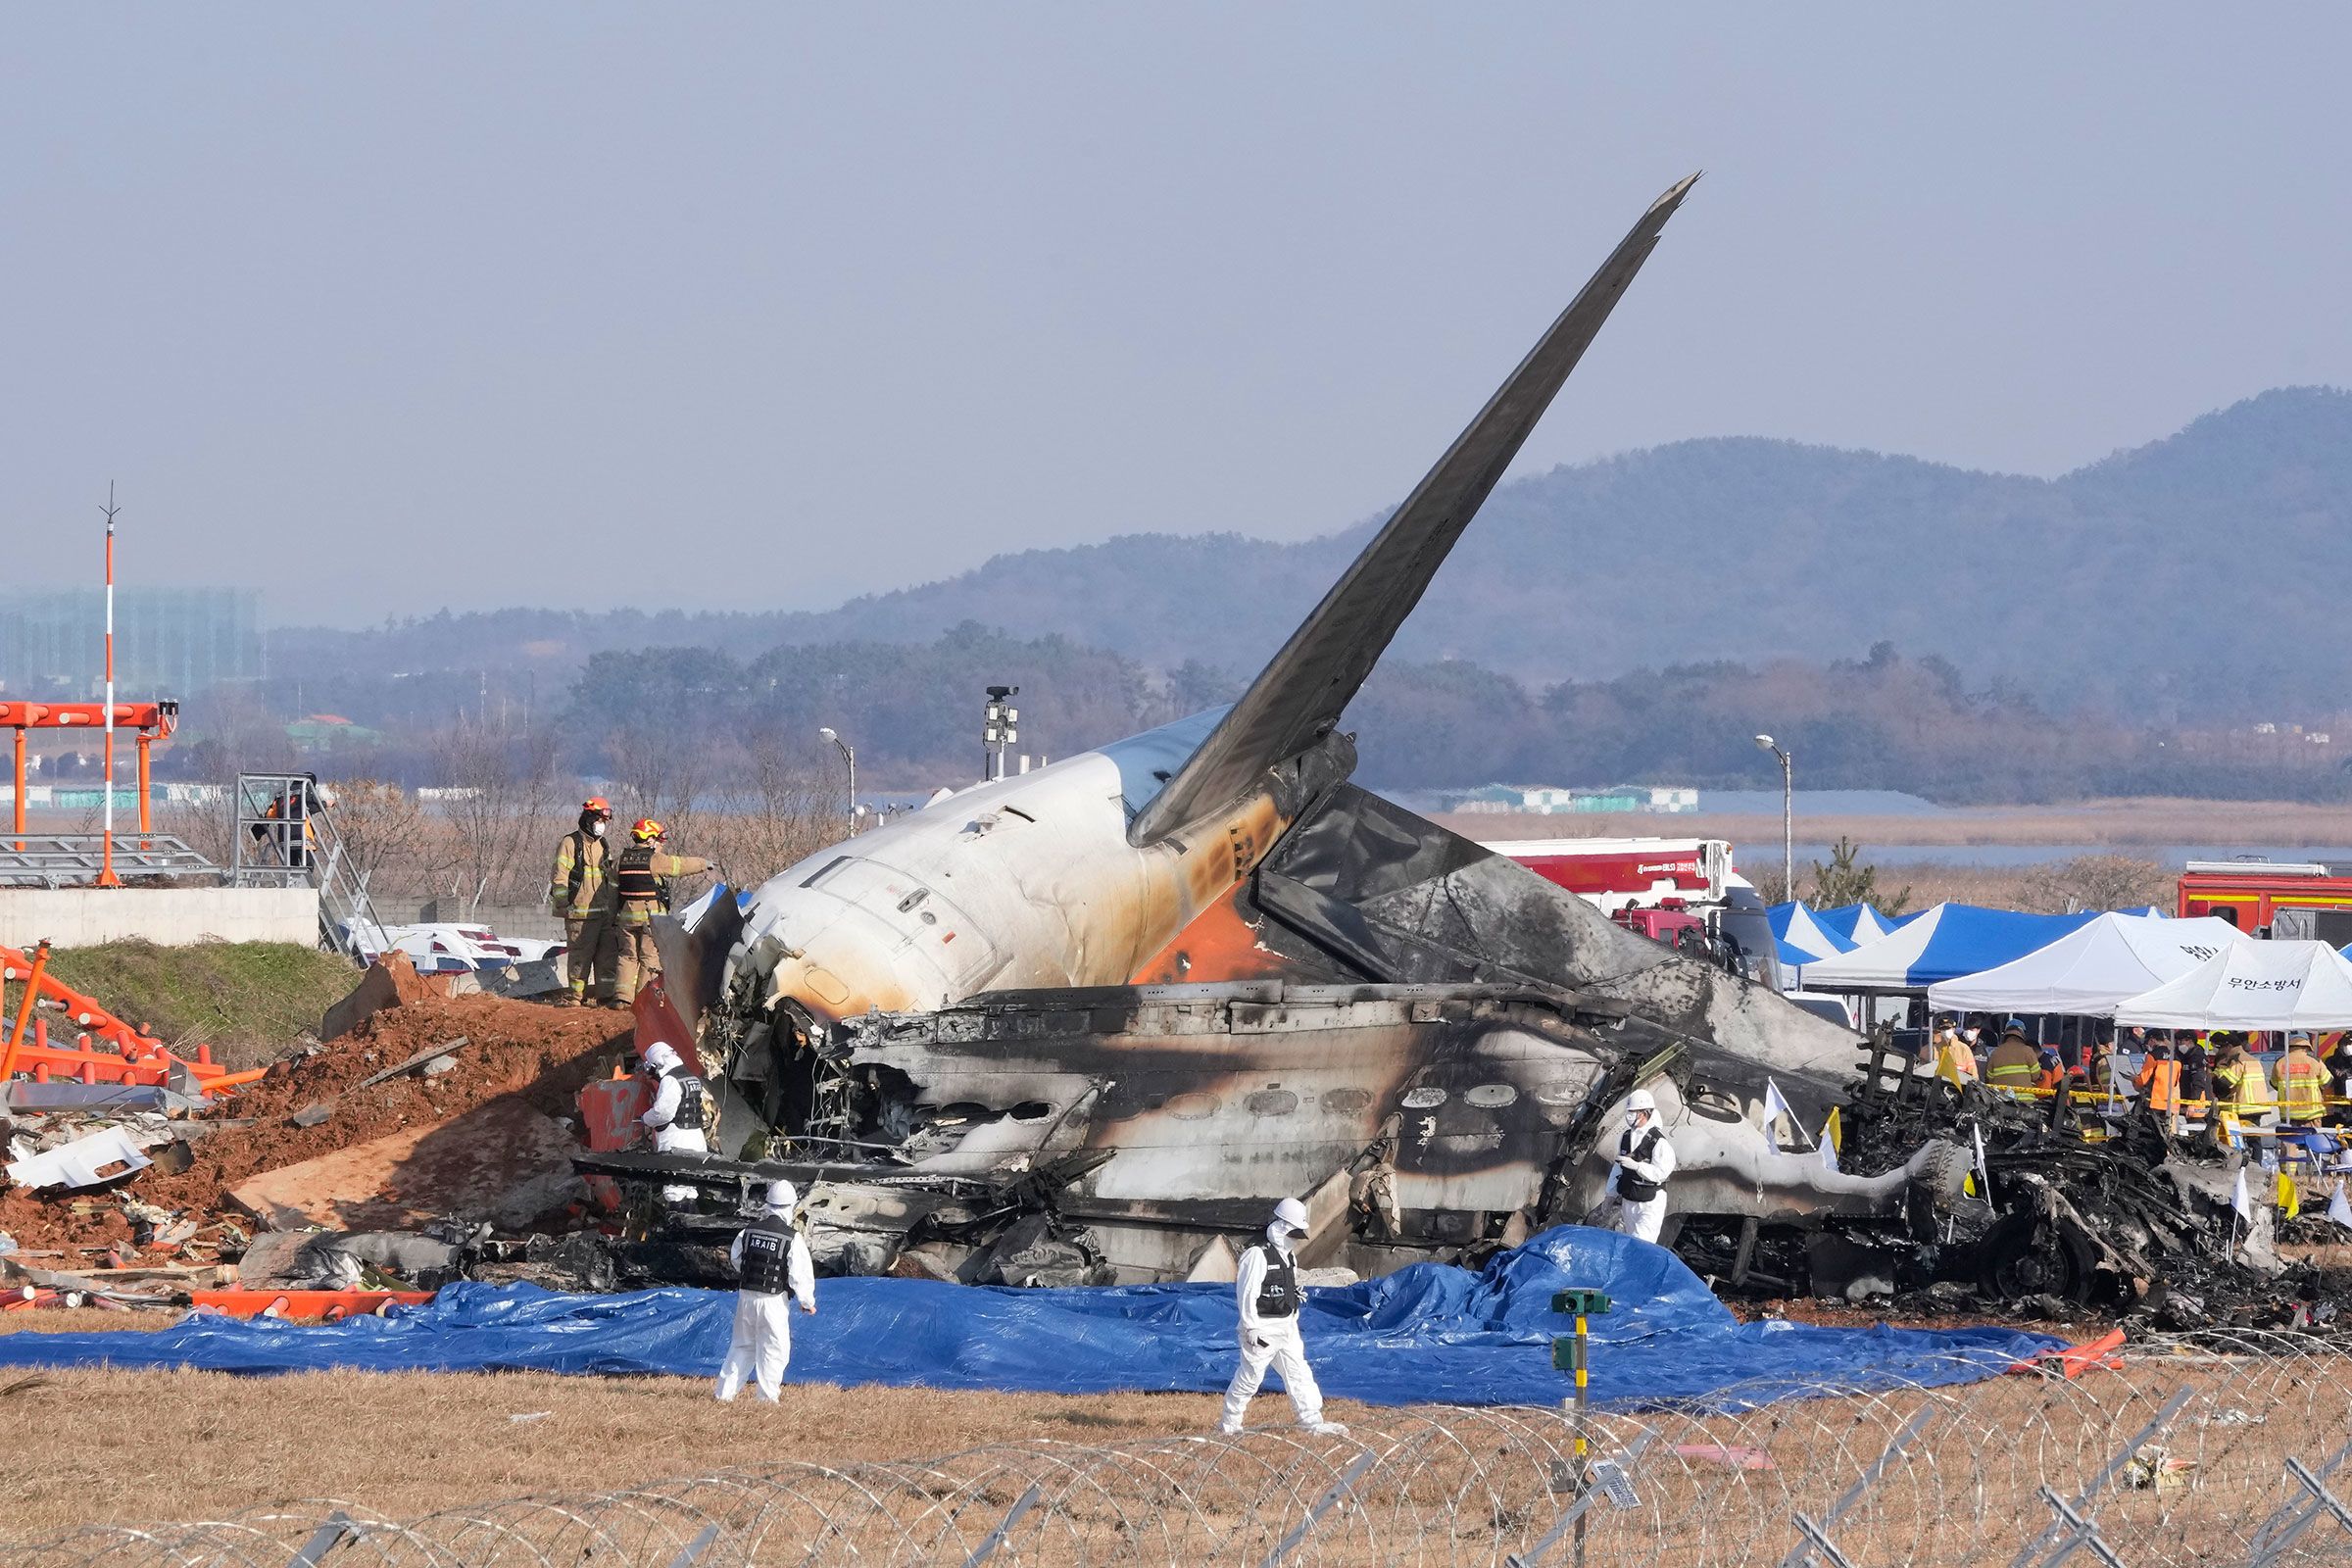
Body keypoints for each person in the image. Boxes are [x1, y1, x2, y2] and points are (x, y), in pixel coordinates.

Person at [1218, 1197, 1347, 1437]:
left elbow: (1283, 1283)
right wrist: (1250, 1328)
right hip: (1262, 1329)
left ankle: (1312, 1421)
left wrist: (1293, 1297)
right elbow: (1246, 1293)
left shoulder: (1288, 1256)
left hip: (1287, 1326)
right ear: (1282, 1227)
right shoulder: (1257, 1255)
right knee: (1250, 1378)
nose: (1296, 1240)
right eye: (1293, 1233)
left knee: (1299, 1372)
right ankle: (1229, 1425)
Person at [714, 1180, 815, 1403]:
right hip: (773, 1301)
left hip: (746, 1298)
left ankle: (724, 1395)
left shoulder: (747, 1232)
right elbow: (799, 1273)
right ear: (791, 1206)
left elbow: (736, 1259)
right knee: (774, 1349)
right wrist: (807, 1301)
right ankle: (767, 1399)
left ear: (767, 1204)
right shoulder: (791, 1237)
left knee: (741, 1346)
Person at [612, 819, 711, 1005]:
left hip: (626, 918)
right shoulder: (655, 860)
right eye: (658, 839)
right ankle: (643, 1001)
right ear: (649, 839)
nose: (660, 844)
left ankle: (622, 998)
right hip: (649, 920)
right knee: (648, 958)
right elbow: (680, 865)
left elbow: (611, 886)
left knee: (627, 956)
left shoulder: (620, 860)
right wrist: (703, 863)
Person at [549, 798, 619, 1007]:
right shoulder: (570, 843)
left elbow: (609, 877)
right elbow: (559, 876)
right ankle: (575, 997)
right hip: (579, 914)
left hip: (604, 914)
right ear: (588, 818)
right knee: (580, 957)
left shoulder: (603, 844)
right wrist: (564, 904)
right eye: (599, 819)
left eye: (604, 821)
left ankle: (605, 997)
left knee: (607, 958)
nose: (602, 825)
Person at [638, 1040, 711, 1205]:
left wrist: (645, 1119)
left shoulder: (670, 1080)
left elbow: (662, 1113)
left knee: (675, 1191)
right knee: (690, 1188)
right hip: (696, 1138)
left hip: (677, 1141)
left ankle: (677, 1226)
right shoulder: (691, 1077)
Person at [1605, 1088, 1678, 1243]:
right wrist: (1610, 1194)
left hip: (1649, 1201)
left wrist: (1638, 1167)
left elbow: (1661, 1173)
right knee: (1629, 1241)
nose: (1629, 1116)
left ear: (1644, 1113)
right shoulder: (1625, 1137)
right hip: (1630, 1197)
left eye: (1633, 1112)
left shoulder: (1658, 1142)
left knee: (1641, 1244)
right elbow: (1617, 1167)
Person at [2276, 1032, 2334, 1125]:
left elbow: (2275, 1084)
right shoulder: (2315, 1061)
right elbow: (2327, 1082)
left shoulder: (2280, 1062)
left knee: (2290, 1140)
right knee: (2312, 1139)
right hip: (2312, 1115)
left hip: (2288, 1116)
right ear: (2307, 1045)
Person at [2135, 1036, 2180, 1132]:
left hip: (2153, 1101)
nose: (2148, 1046)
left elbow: (2143, 1080)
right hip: (2169, 1102)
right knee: (2167, 1131)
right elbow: (2176, 1081)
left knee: (2151, 1131)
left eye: (2148, 1043)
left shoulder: (2152, 1056)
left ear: (2152, 1040)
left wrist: (2134, 1079)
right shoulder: (2176, 1057)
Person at [1984, 1021, 2040, 1092]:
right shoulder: (2028, 1051)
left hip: (2002, 1100)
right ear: (2022, 1033)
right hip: (2025, 1101)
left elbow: (1990, 1077)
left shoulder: (1995, 1053)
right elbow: (2036, 1075)